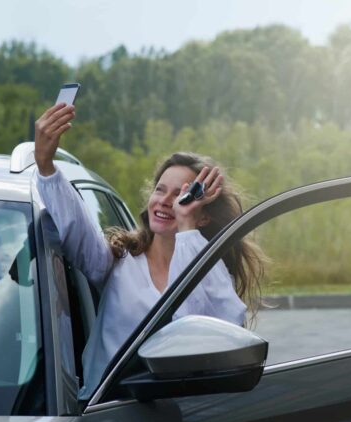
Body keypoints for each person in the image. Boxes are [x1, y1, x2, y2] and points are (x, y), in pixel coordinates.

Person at [34, 102, 264, 398]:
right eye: (160, 190)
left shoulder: (212, 274)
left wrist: (186, 224)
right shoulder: (118, 260)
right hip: (106, 410)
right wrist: (46, 166)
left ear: (203, 216)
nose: (165, 201)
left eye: (181, 194)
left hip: (179, 413)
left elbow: (219, 326)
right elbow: (77, 227)